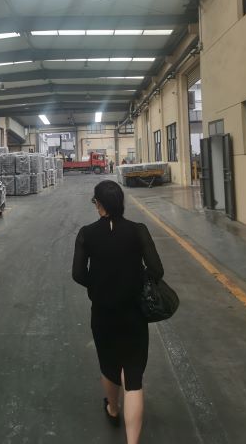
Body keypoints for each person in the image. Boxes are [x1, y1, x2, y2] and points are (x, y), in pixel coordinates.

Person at [72, 180, 163, 444]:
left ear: (99, 204)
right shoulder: (138, 230)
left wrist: (99, 285)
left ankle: (113, 409)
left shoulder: (86, 234)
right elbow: (156, 270)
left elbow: (78, 274)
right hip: (134, 313)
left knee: (109, 365)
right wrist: (134, 281)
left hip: (103, 313)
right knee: (133, 377)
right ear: (120, 202)